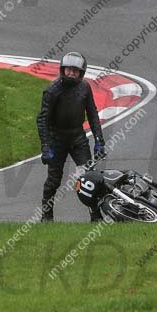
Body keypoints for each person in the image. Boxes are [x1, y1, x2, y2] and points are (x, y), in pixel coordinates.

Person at [36, 51, 106, 222]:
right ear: (63, 69)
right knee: (54, 180)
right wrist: (45, 147)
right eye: (69, 70)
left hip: (77, 137)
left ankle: (95, 215)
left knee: (89, 176)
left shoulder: (85, 88)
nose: (71, 73)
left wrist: (99, 140)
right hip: (56, 138)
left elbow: (92, 114)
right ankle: (46, 216)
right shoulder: (52, 90)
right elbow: (42, 119)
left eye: (75, 71)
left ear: (81, 73)